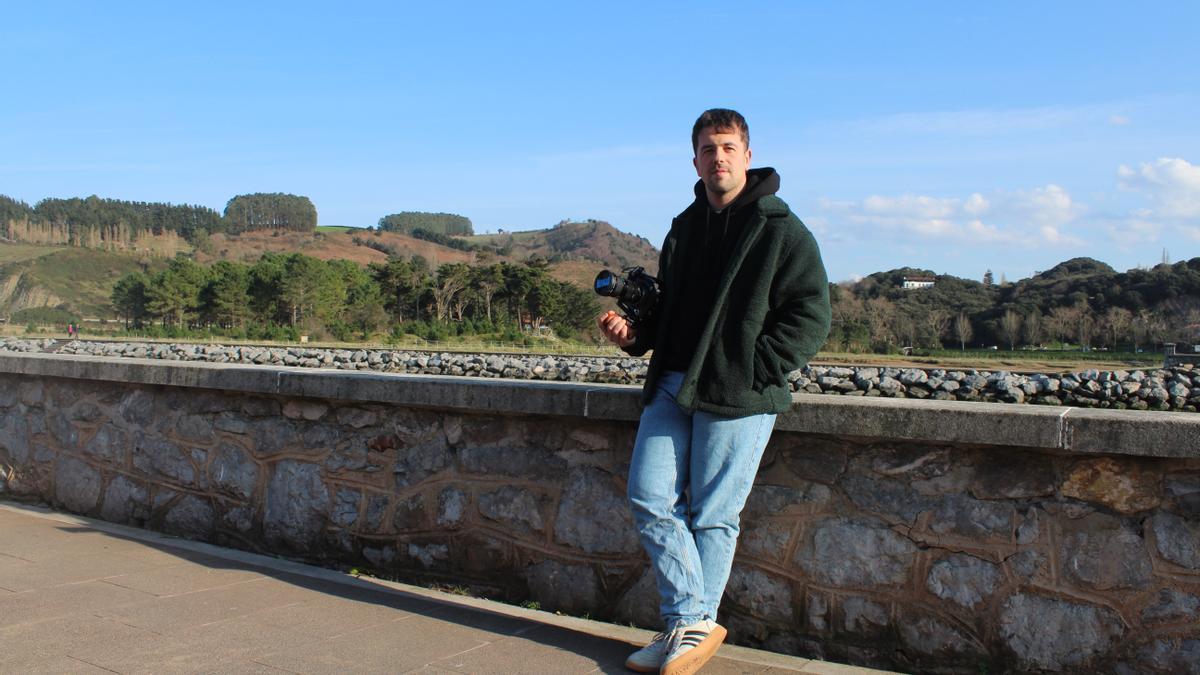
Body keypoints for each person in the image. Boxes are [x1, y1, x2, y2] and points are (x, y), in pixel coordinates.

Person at [598, 108, 830, 674]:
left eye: (727, 147)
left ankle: (685, 627)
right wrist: (635, 336)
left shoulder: (781, 229)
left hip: (736, 391)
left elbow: (811, 314)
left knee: (713, 516)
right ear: (695, 159)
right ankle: (692, 623)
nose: (718, 157)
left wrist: (758, 366)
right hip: (674, 381)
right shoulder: (684, 226)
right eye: (707, 148)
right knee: (650, 497)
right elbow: (670, 314)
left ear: (747, 156)